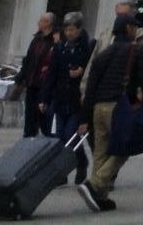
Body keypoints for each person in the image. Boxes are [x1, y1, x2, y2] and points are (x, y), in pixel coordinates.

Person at [76, 13, 143, 213]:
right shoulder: (137, 51)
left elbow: (90, 88)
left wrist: (84, 118)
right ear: (128, 28)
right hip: (119, 107)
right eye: (134, 27)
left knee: (101, 151)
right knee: (125, 146)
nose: (136, 30)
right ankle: (94, 184)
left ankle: (100, 198)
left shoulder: (102, 54)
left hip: (98, 108)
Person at [45, 12, 95, 187]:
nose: (69, 33)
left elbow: (88, 72)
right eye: (66, 29)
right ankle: (63, 172)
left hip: (76, 100)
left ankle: (80, 162)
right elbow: (52, 73)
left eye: (72, 29)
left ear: (80, 30)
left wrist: (78, 73)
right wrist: (44, 97)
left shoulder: (86, 48)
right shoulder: (60, 48)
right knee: (59, 137)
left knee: (70, 136)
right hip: (60, 98)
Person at [16, 12, 59, 138]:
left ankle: (47, 138)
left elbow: (54, 60)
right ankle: (28, 136)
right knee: (30, 114)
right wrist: (22, 75)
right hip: (32, 82)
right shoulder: (37, 39)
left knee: (43, 115)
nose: (38, 23)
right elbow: (28, 59)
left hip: (44, 84)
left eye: (41, 21)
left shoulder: (55, 40)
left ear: (48, 23)